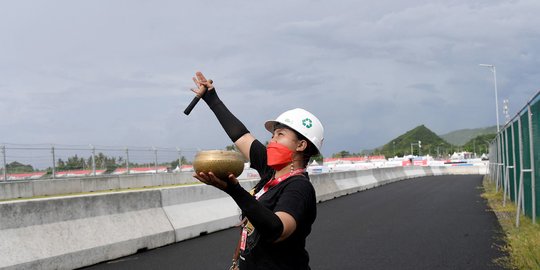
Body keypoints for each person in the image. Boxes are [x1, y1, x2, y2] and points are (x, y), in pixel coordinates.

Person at [190, 71, 324, 270]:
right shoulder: (270, 170)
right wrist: (212, 99)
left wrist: (233, 190)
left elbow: (277, 230)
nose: (272, 140)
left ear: (301, 145)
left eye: (280, 134)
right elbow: (241, 135)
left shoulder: (299, 188)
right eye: (272, 134)